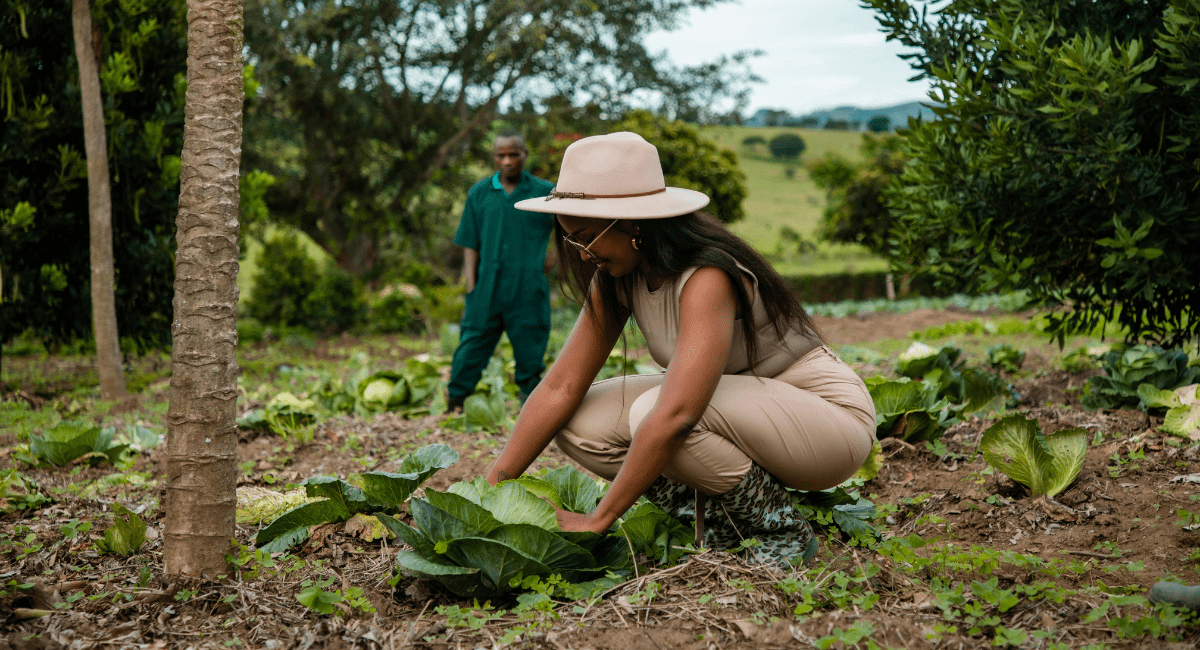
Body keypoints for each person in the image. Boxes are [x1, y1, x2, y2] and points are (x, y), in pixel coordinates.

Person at [483, 132, 877, 566]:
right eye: (571, 239)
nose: (580, 253)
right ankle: (726, 519)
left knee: (657, 411)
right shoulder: (617, 278)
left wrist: (600, 519)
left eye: (586, 238)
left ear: (632, 223)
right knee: (580, 423)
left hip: (825, 422)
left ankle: (779, 526)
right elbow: (561, 386)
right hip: (741, 414)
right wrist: (490, 491)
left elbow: (678, 413)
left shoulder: (706, 276)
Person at [447, 131, 556, 413]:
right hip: (487, 287)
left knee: (530, 349)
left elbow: (568, 233)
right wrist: (472, 285)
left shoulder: (545, 192)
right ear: (494, 157)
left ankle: (529, 409)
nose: (507, 161)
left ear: (524, 155)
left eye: (513, 154)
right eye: (501, 155)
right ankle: (456, 402)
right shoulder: (480, 193)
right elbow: (469, 242)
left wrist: (552, 262)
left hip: (527, 288)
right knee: (471, 346)